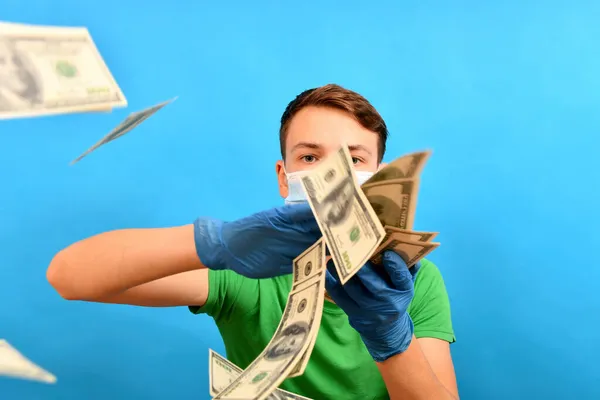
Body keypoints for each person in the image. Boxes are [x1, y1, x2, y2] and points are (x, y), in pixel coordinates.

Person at [47, 84, 459, 399]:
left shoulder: (417, 281)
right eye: (310, 158)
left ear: (382, 178)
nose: (334, 176)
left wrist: (391, 337)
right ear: (284, 176)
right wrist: (216, 243)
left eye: (354, 159)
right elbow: (68, 276)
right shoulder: (246, 268)